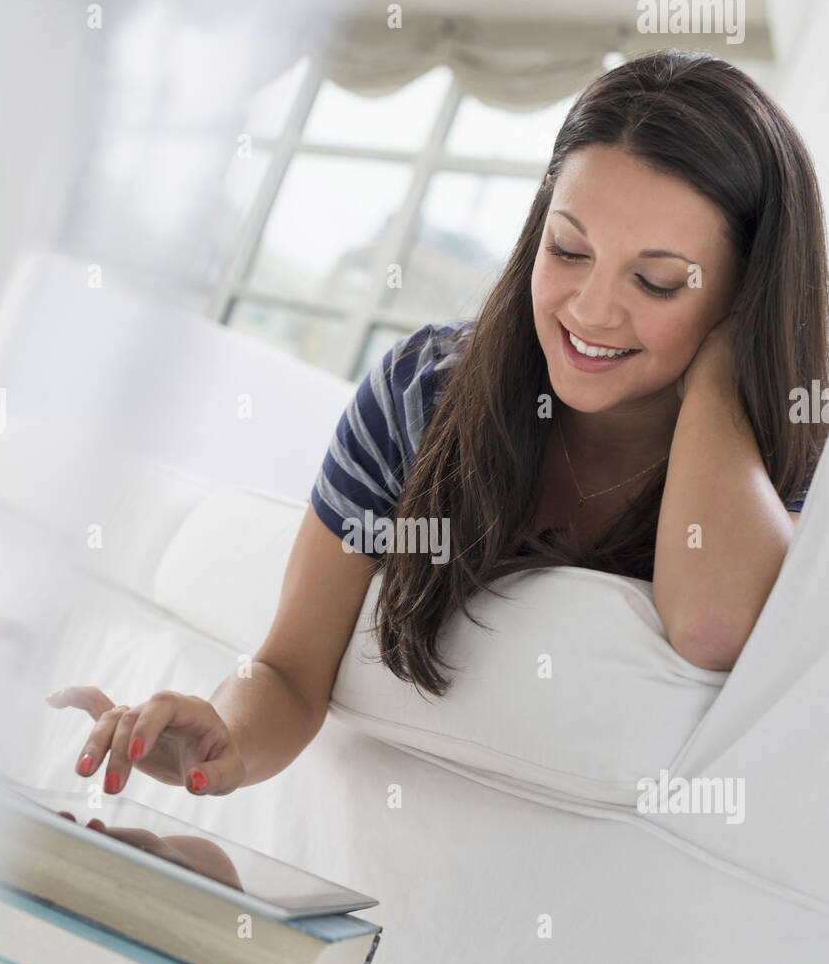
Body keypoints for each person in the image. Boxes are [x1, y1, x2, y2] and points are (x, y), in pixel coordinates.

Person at [47, 50, 826, 854]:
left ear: (746, 293)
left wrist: (721, 381)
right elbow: (287, 670)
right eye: (567, 250)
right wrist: (227, 741)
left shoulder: (791, 463)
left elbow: (712, 627)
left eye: (657, 282)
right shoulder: (422, 393)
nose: (591, 310)